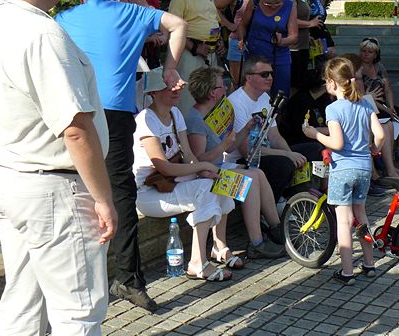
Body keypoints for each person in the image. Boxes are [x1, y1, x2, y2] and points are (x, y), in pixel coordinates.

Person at [0, 0, 117, 335]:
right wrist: (103, 198)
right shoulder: (42, 34)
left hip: (7, 178)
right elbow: (76, 129)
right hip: (51, 189)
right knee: (78, 309)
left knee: (24, 300)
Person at [56, 0, 186, 312]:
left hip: (76, 111)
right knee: (121, 193)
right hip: (115, 113)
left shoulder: (65, 18)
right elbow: (178, 24)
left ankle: (78, 281)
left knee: (78, 190)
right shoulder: (131, 11)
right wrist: (170, 68)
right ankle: (128, 278)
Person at [133, 68, 236, 282]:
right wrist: (203, 167)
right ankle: (198, 262)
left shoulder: (175, 113)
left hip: (172, 183)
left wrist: (205, 170)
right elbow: (164, 168)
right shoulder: (146, 120)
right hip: (149, 192)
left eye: (177, 86)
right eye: (169, 87)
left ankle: (218, 246)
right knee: (206, 187)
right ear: (153, 93)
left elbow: (188, 155)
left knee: (221, 180)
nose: (176, 90)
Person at [185, 66, 286, 259]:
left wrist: (246, 129)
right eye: (221, 85)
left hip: (217, 168)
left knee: (258, 173)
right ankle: (257, 242)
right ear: (212, 93)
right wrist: (224, 144)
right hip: (205, 175)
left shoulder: (214, 112)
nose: (226, 88)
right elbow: (198, 159)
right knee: (249, 180)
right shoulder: (196, 119)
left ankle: (277, 228)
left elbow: (230, 148)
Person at [302, 57, 383, 284]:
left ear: (332, 82)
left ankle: (347, 272)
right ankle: (369, 263)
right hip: (364, 168)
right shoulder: (365, 104)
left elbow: (336, 143)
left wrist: (314, 134)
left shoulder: (333, 109)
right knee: (361, 215)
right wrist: (375, 149)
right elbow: (380, 134)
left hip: (343, 170)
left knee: (344, 221)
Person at [228, 56, 321, 203]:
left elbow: (275, 137)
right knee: (284, 163)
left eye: (271, 73)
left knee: (315, 149)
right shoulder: (236, 102)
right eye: (264, 74)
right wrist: (288, 156)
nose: (270, 78)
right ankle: (275, 202)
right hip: (244, 159)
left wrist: (292, 154)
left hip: (265, 151)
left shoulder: (264, 97)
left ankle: (296, 198)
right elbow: (247, 150)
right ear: (249, 77)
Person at [356, 39, 399, 190]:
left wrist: (390, 106)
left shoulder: (380, 67)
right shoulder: (358, 70)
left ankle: (392, 166)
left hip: (382, 105)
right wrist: (385, 109)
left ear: (376, 54)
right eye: (363, 51)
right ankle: (388, 170)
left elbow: (388, 88)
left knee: (397, 119)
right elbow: (364, 96)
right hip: (368, 106)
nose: (365, 54)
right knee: (386, 124)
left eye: (369, 52)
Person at [169, 0, 222, 114]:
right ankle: (187, 126)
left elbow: (213, 19)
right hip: (192, 53)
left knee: (211, 94)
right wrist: (194, 47)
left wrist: (219, 40)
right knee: (189, 97)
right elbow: (172, 28)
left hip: (210, 51)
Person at [240, 0, 298, 97]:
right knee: (255, 92)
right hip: (255, 55)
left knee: (281, 95)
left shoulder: (290, 5)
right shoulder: (255, 2)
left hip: (279, 57)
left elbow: (294, 36)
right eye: (268, 3)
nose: (273, 6)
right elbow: (243, 25)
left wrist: (282, 41)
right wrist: (241, 40)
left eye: (277, 3)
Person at [215, 0, 261, 88]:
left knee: (253, 83)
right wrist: (228, 24)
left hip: (254, 41)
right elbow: (214, 6)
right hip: (236, 40)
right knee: (237, 82)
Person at [282, 0, 324, 92]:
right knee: (295, 86)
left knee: (301, 84)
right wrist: (310, 24)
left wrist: (307, 35)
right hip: (293, 48)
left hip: (302, 44)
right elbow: (289, 19)